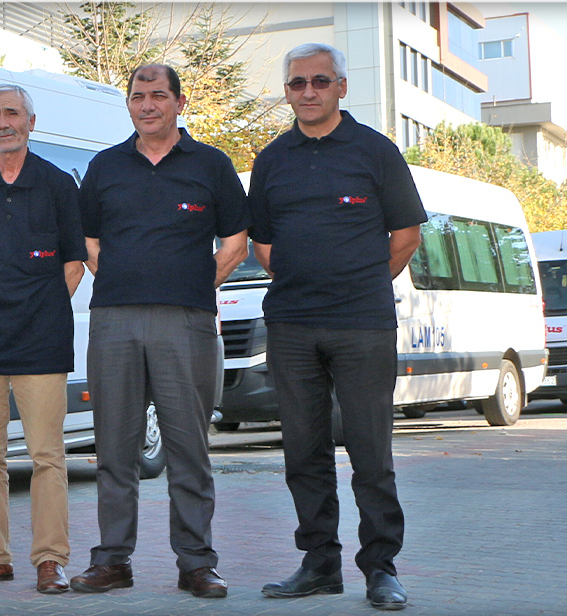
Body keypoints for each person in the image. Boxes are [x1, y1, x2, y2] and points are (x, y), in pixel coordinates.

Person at [249, 42, 424, 611]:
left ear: (341, 87)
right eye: (297, 83)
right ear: (287, 92)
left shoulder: (376, 151)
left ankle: (381, 569)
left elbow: (405, 237)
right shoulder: (271, 159)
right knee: (303, 452)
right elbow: (264, 244)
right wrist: (305, 279)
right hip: (292, 324)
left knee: (371, 453)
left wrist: (359, 283)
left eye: (320, 81)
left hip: (362, 324)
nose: (308, 92)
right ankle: (319, 564)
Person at [69, 64, 249, 599]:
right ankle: (112, 561)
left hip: (186, 322)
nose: (147, 105)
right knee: (114, 448)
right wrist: (124, 280)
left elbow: (236, 242)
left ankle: (196, 564)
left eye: (158, 95)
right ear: (128, 104)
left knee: (188, 447)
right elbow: (88, 242)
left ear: (179, 102)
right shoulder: (105, 166)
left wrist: (190, 285)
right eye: (138, 96)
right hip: (114, 320)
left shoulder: (212, 164)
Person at [0, 83, 87, 595]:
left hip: (41, 342)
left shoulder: (57, 184)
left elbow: (74, 264)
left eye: (11, 113)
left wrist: (38, 311)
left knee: (47, 455)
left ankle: (50, 560)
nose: (3, 122)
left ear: (30, 121)